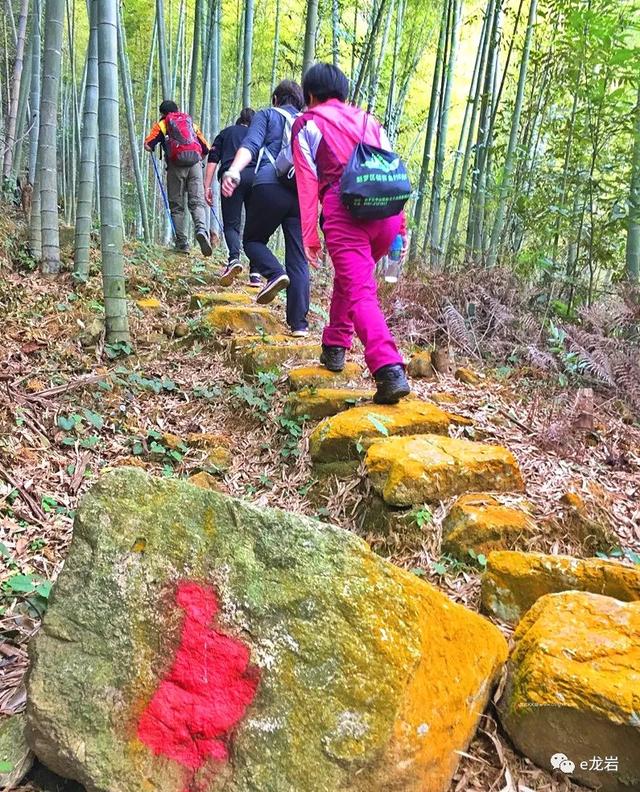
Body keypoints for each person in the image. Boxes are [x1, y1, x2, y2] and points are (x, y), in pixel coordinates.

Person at [291, 63, 410, 404]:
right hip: (386, 214)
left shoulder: (307, 123)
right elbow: (392, 172)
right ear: (342, 92)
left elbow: (306, 181)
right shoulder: (370, 121)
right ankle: (335, 345)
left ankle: (388, 368)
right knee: (350, 280)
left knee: (360, 291)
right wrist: (400, 229)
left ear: (309, 94)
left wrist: (309, 236)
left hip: (345, 211)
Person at [221, 81, 309, 337]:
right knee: (298, 257)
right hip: (301, 192)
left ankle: (274, 273)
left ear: (275, 99)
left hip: (269, 185)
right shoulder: (308, 123)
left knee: (252, 241)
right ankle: (299, 325)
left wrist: (234, 170)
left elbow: (250, 145)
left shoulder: (268, 115)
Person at [144, 100, 212, 257]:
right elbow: (206, 147)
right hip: (195, 165)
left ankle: (182, 243)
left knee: (177, 206)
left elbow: (148, 144)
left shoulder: (162, 124)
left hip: (175, 166)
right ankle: (201, 230)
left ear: (163, 113)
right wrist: (195, 158)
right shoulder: (190, 123)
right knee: (197, 202)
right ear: (177, 109)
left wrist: (154, 147)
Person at [204, 108, 260, 288]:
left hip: (230, 179)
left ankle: (234, 259)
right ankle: (255, 273)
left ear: (238, 120)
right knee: (255, 225)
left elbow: (212, 160)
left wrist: (207, 186)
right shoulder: (257, 134)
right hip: (256, 179)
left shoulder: (226, 133)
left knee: (231, 224)